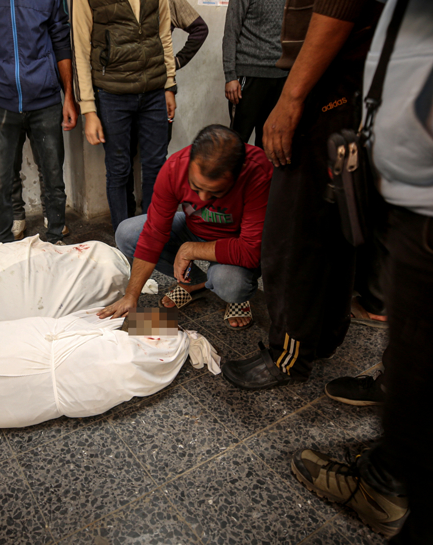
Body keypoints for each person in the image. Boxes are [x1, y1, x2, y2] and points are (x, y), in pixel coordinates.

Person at [293, 1, 432, 541]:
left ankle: (385, 484)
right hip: (408, 176)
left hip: (425, 188)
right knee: (412, 335)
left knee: (421, 340)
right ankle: (396, 432)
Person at [222, 0, 384, 390]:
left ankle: (288, 356)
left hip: (327, 85)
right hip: (352, 86)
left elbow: (339, 5)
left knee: (292, 236)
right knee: (334, 225)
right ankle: (323, 336)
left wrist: (291, 98)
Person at [99, 125, 272, 330]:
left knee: (231, 284)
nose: (203, 199)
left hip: (236, 240)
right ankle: (195, 281)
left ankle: (236, 297)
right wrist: (131, 295)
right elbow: (153, 234)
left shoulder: (258, 171)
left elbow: (252, 251)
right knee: (127, 233)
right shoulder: (175, 167)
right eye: (196, 188)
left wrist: (191, 250)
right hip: (193, 229)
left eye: (215, 193)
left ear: (238, 173)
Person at [0, 0, 78, 245]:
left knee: (53, 176)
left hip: (45, 98)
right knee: (0, 181)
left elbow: (61, 38)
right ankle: (5, 245)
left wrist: (68, 94)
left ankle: (55, 239)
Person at [73, 0, 177, 233]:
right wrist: (88, 109)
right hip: (112, 94)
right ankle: (123, 238)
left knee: (156, 167)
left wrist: (169, 84)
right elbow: (80, 49)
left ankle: (152, 235)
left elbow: (163, 35)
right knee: (119, 170)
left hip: (154, 91)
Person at [123, 0, 209, 218]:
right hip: (121, 90)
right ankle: (127, 220)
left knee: (155, 161)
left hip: (159, 89)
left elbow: (200, 28)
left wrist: (176, 62)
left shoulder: (168, 1)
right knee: (123, 161)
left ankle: (152, 218)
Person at [223, 0, 287, 149]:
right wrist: (230, 76)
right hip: (249, 73)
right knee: (238, 142)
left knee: (269, 143)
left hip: (281, 75)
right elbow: (231, 32)